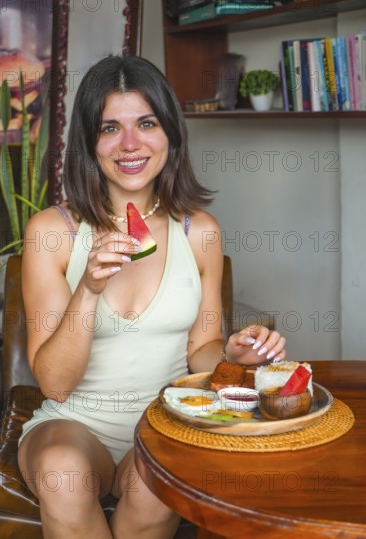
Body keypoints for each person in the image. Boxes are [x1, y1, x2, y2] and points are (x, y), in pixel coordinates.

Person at [18, 55, 286, 539]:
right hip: (72, 425)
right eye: (109, 128)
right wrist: (89, 288)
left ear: (170, 134)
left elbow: (199, 350)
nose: (130, 144)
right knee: (64, 475)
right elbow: (55, 383)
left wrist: (231, 354)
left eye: (146, 123)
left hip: (166, 420)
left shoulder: (199, 231)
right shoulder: (51, 234)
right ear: (88, 143)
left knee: (159, 483)